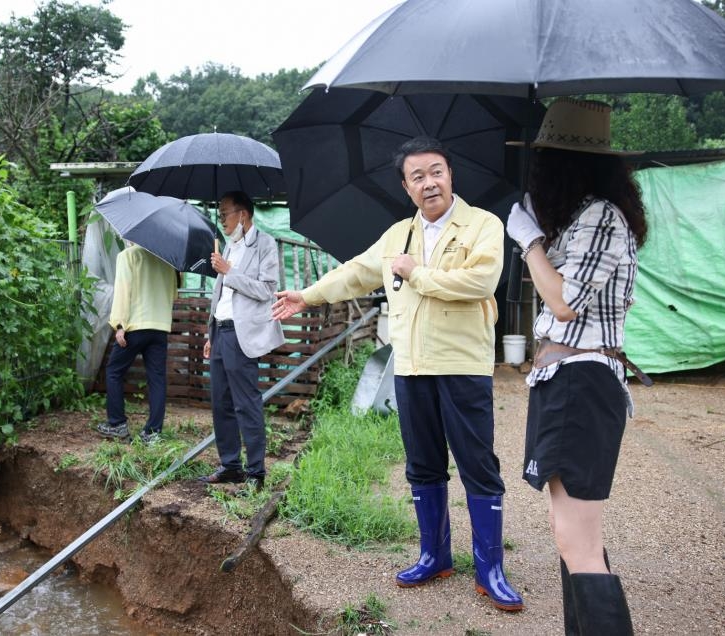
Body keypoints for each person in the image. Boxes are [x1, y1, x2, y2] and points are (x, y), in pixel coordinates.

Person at [272, 136, 523, 611]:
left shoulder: (482, 225)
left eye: (436, 171)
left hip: (462, 368)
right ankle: (434, 555)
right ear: (407, 188)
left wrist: (416, 274)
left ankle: (490, 567)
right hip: (410, 368)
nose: (429, 183)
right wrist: (307, 295)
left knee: (477, 466)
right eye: (418, 177)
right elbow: (356, 273)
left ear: (451, 175)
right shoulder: (397, 237)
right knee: (423, 465)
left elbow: (482, 280)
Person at [506, 98, 648, 634]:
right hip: (566, 380)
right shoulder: (585, 219)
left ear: (562, 163)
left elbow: (563, 303)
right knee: (572, 536)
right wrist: (541, 236)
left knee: (578, 541)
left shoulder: (599, 217)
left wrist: (530, 240)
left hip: (581, 382)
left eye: (543, 159)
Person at [198, 191, 285, 490]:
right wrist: (211, 334)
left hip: (241, 335)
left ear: (243, 215)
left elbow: (266, 290)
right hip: (221, 332)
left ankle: (256, 472)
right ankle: (230, 465)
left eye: (224, 214)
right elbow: (222, 298)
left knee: (246, 404)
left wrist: (229, 272)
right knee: (220, 402)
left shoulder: (265, 244)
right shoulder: (228, 247)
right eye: (220, 214)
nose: (221, 220)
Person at [96, 243, 178, 444]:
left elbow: (123, 291)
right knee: (157, 379)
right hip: (159, 327)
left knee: (114, 371)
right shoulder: (168, 259)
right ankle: (153, 433)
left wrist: (119, 324)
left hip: (134, 326)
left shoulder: (128, 256)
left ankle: (117, 424)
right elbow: (174, 295)